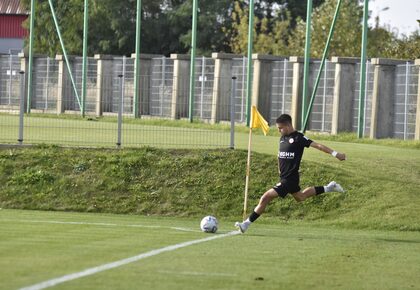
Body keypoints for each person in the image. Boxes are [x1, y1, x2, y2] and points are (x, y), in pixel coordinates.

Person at [235, 114, 346, 233]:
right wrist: (279, 171)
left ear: (288, 125)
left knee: (265, 197)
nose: (279, 131)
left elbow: (318, 146)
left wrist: (336, 154)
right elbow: (280, 156)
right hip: (285, 178)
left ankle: (246, 224)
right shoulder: (282, 138)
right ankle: (329, 188)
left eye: (280, 128)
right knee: (300, 197)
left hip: (289, 179)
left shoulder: (299, 138)